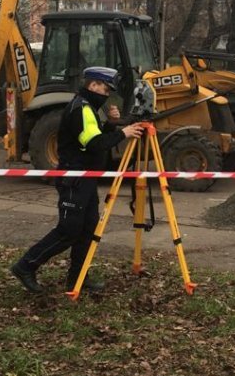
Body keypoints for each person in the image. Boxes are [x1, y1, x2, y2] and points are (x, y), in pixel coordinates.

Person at [10, 66, 145, 293]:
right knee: (69, 230)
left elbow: (92, 136)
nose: (106, 95)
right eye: (104, 89)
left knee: (88, 228)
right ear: (92, 86)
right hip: (75, 178)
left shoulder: (88, 108)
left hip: (86, 178)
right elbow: (94, 144)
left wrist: (111, 124)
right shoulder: (81, 108)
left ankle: (77, 278)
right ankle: (25, 266)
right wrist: (123, 132)